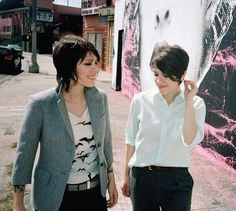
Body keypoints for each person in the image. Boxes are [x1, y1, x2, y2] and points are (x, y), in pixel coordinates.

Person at [12, 34, 118, 211]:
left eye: (96, 63)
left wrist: (111, 180)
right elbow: (25, 153)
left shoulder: (100, 98)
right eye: (88, 63)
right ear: (69, 66)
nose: (96, 68)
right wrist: (18, 202)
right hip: (54, 198)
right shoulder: (41, 104)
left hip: (93, 195)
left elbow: (106, 143)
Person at [121, 43, 206, 211]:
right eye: (156, 74)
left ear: (182, 75)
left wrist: (188, 102)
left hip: (177, 181)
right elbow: (130, 140)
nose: (159, 81)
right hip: (142, 177)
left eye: (166, 75)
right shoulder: (140, 101)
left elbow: (189, 140)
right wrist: (125, 176)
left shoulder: (196, 104)